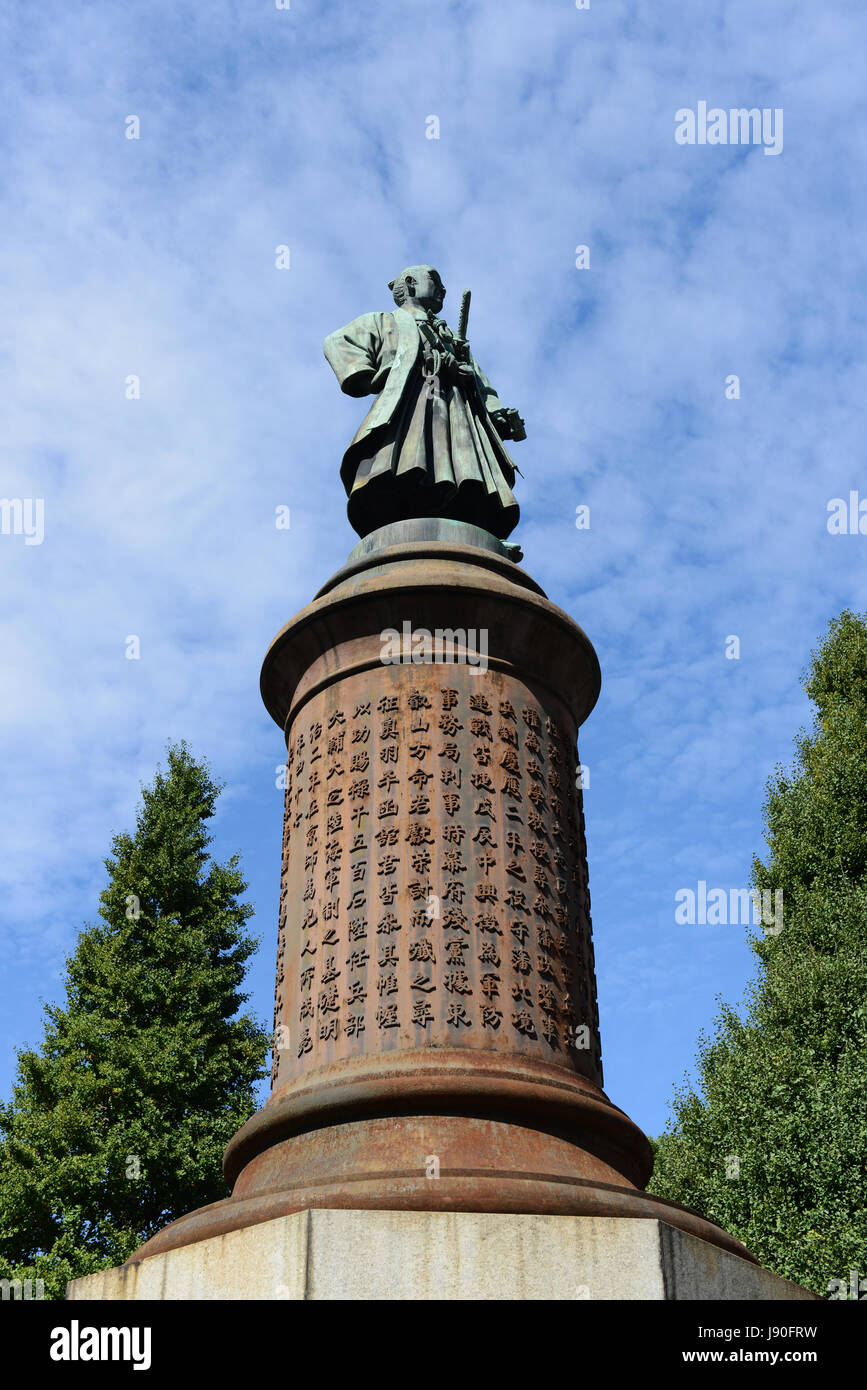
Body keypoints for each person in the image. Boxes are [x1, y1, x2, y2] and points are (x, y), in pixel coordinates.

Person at [323, 265, 525, 541]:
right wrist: (374, 375)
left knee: (465, 468)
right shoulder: (385, 322)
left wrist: (497, 412)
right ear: (410, 283)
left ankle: (468, 520)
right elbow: (338, 341)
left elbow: (481, 383)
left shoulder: (453, 339)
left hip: (458, 413)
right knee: (410, 460)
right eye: (435, 281)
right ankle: (410, 510)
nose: (442, 290)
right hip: (413, 406)